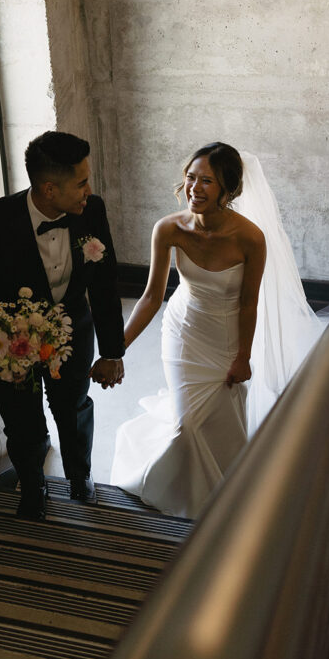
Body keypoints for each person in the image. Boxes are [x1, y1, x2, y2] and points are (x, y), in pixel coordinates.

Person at [0, 131, 125, 520]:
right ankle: (32, 485)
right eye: (81, 182)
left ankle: (80, 478)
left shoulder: (92, 211)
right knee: (22, 421)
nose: (89, 190)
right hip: (8, 347)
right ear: (49, 189)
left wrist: (113, 351)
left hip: (72, 332)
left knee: (74, 408)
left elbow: (104, 284)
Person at [109, 142, 266, 520]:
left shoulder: (251, 238)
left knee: (219, 421)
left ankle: (226, 492)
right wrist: (117, 349)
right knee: (187, 424)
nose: (195, 188)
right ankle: (181, 498)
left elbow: (248, 304)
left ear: (229, 189)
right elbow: (149, 298)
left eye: (207, 181)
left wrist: (243, 356)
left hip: (225, 338)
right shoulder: (169, 229)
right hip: (183, 332)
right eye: (191, 178)